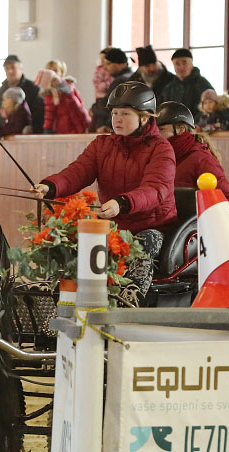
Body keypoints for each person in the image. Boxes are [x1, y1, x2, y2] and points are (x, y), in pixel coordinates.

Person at [33, 82, 176, 297]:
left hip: (152, 225)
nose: (117, 119)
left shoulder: (161, 149)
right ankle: (56, 293)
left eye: (125, 114)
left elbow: (156, 189)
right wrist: (51, 186)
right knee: (70, 241)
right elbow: (77, 172)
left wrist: (122, 203)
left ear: (144, 118)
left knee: (147, 242)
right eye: (115, 113)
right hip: (112, 223)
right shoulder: (102, 145)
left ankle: (130, 297)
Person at [155, 101, 229, 210]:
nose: (156, 135)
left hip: (189, 225)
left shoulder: (201, 159)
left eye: (161, 130)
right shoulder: (157, 158)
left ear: (181, 129)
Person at [0, 55, 43, 135]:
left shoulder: (33, 89)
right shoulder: (0, 92)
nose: (10, 71)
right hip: (4, 136)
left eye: (13, 67)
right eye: (7, 68)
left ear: (21, 69)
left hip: (27, 136)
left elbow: (39, 117)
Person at [36, 61, 91, 134]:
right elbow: (49, 114)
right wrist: (47, 129)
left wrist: (67, 91)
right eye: (51, 71)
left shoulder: (70, 87)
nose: (53, 74)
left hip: (78, 123)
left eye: (55, 70)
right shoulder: (49, 94)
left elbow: (79, 105)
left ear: (61, 72)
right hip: (63, 128)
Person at [160, 49, 214, 120]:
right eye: (177, 64)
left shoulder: (203, 84)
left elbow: (211, 110)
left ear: (191, 64)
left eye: (184, 63)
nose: (181, 67)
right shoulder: (169, 88)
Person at [94, 47, 135, 132]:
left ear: (120, 64)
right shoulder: (133, 76)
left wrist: (94, 108)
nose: (105, 68)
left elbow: (109, 105)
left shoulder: (120, 81)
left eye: (108, 64)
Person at [90, 48, 115, 131]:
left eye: (104, 60)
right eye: (101, 60)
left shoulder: (112, 72)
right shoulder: (99, 70)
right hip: (100, 98)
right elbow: (97, 83)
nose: (102, 63)